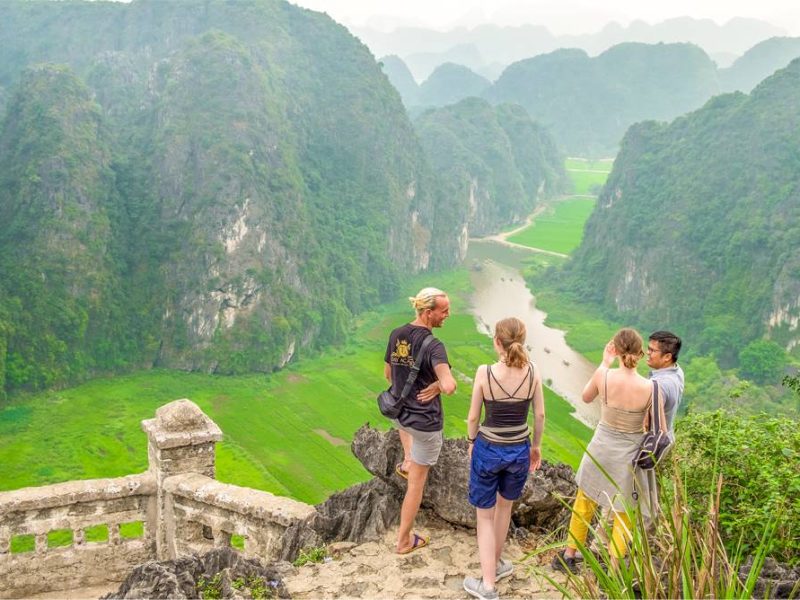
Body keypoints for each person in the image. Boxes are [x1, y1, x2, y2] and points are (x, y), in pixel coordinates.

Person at [552, 328, 655, 574]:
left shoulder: (604, 375)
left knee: (584, 502)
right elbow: (650, 426)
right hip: (628, 455)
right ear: (640, 352)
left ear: (616, 349)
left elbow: (586, 398)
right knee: (623, 511)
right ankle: (613, 570)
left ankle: (569, 556)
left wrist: (604, 363)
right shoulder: (650, 387)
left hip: (600, 449)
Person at [463, 318, 545, 600]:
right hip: (519, 449)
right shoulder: (533, 371)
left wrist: (472, 442)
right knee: (504, 509)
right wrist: (535, 446)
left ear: (497, 342)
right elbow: (540, 415)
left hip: (489, 448)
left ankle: (487, 586)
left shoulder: (485, 373)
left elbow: (473, 416)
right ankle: (495, 565)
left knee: (484, 516)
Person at [384, 287, 457, 555]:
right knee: (416, 484)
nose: (448, 315)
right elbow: (449, 386)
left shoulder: (396, 334)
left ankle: (407, 459)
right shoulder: (434, 346)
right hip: (425, 423)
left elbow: (388, 374)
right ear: (428, 313)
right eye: (444, 311)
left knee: (407, 434)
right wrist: (438, 385)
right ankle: (404, 540)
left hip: (401, 416)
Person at [647, 331, 684, 435]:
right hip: (668, 435)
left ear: (667, 357)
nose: (647, 352)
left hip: (653, 443)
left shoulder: (659, 385)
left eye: (652, 350)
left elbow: (651, 421)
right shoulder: (677, 370)